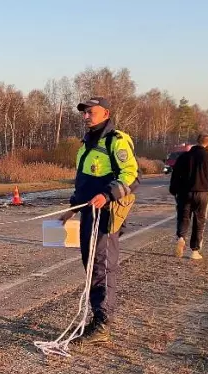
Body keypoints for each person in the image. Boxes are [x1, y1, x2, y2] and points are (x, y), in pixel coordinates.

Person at [59, 97, 139, 343]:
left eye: (90, 112)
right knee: (91, 263)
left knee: (102, 266)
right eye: (84, 113)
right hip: (88, 214)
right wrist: (72, 208)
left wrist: (107, 195)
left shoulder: (117, 140)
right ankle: (98, 316)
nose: (86, 117)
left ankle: (103, 323)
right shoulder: (86, 144)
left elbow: (132, 176)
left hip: (106, 215)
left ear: (106, 113)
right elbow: (84, 182)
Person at [168, 134, 208, 260]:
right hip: (202, 193)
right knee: (199, 220)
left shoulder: (184, 156)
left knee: (184, 217)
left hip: (184, 192)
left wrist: (173, 190)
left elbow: (175, 175)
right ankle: (194, 251)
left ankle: (181, 237)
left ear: (197, 141)